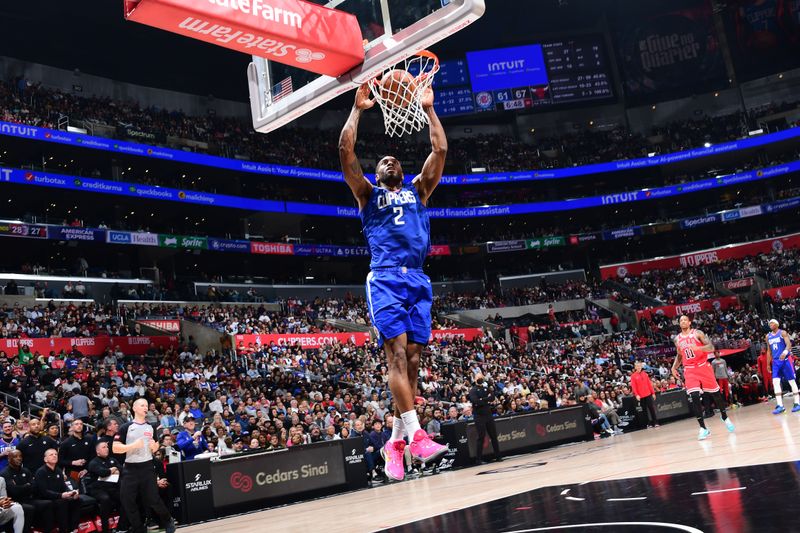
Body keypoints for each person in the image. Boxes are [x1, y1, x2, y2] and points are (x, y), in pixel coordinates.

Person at [339, 80, 448, 481]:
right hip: (385, 277)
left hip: (418, 278)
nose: (388, 160)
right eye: (382, 160)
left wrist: (428, 109)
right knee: (398, 356)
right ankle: (417, 435)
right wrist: (357, 109)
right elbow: (345, 152)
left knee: (415, 359)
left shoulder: (419, 189)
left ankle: (395, 442)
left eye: (393, 159)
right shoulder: (367, 195)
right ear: (377, 173)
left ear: (401, 170)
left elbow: (439, 151)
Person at [112, 398, 176, 533]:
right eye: (142, 405)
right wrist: (133, 446)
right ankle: (139, 529)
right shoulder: (126, 427)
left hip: (147, 467)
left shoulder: (151, 427)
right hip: (130, 469)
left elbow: (154, 447)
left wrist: (155, 447)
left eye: (147, 405)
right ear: (134, 408)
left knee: (153, 500)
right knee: (127, 502)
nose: (145, 407)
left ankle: (167, 519)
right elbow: (115, 448)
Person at [671, 315, 735, 440]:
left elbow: (711, 347)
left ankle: (724, 417)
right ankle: (703, 428)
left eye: (685, 320)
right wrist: (673, 367)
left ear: (689, 322)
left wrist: (699, 347)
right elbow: (679, 356)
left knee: (716, 394)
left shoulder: (697, 333)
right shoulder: (677, 339)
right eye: (680, 321)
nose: (683, 322)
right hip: (689, 370)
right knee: (694, 396)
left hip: (703, 366)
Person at [1, 450, 52, 533]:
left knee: (47, 503)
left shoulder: (25, 470)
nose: (19, 458)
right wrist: (27, 485)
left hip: (28, 499)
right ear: (9, 459)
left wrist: (22, 487)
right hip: (15, 501)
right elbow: (14, 491)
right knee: (29, 508)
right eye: (15, 457)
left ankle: (45, 530)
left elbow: (34, 486)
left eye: (20, 456)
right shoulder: (5, 473)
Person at [33, 449, 82, 533]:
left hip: (58, 496)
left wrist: (72, 492)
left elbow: (64, 486)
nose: (54, 456)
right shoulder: (41, 472)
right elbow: (43, 491)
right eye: (51, 454)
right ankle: (63, 529)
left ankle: (73, 528)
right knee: (62, 502)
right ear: (45, 459)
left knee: (76, 500)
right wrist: (61, 495)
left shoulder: (58, 470)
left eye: (56, 454)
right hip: (44, 498)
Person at [85, 441, 122, 533]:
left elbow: (121, 469)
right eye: (103, 447)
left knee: (125, 497)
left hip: (112, 487)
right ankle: (105, 529)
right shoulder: (93, 462)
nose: (107, 449)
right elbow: (102, 472)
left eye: (107, 447)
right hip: (97, 488)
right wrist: (112, 469)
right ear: (97, 451)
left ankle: (122, 527)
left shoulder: (112, 459)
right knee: (105, 499)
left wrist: (112, 470)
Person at [766, 319, 800, 414]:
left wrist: (785, 352)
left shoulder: (783, 333)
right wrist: (768, 363)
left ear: (777, 324)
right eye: (769, 324)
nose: (770, 325)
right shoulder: (768, 336)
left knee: (791, 381)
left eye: (772, 323)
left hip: (785, 360)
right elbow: (769, 350)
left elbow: (789, 344)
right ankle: (780, 405)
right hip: (776, 362)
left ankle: (797, 403)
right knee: (775, 382)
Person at [468, 374, 502, 464]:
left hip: (488, 415)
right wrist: (486, 400)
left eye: (481, 378)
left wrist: (482, 399)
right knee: (481, 437)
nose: (480, 379)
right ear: (475, 379)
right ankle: (478, 459)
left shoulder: (486, 388)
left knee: (494, 436)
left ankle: (498, 456)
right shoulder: (473, 390)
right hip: (479, 416)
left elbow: (492, 397)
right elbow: (475, 401)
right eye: (478, 378)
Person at [630, 361, 659, 428]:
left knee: (651, 408)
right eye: (637, 366)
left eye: (640, 366)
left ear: (641, 367)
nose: (639, 367)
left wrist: (653, 393)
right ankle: (649, 423)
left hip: (648, 394)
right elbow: (634, 387)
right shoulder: (633, 376)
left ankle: (655, 422)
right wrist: (636, 395)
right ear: (635, 367)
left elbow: (649, 384)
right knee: (644, 410)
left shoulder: (645, 374)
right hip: (641, 396)